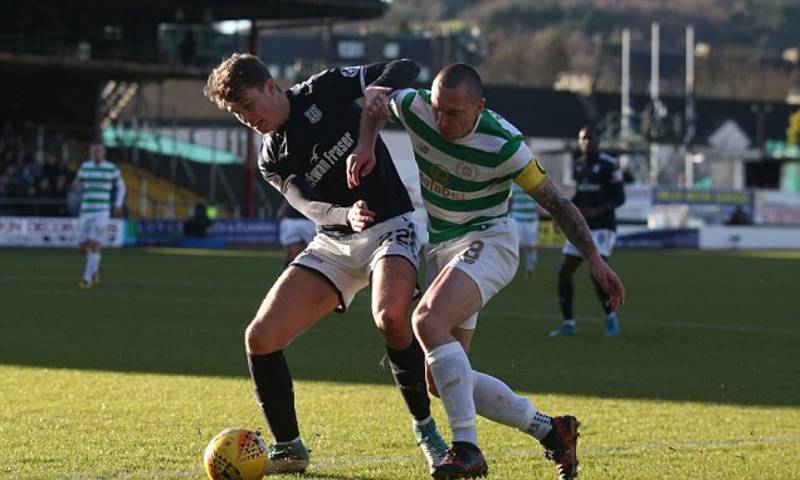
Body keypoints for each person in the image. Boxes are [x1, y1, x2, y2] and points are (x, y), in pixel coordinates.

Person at [348, 63, 625, 480]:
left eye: (455, 113)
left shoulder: (504, 143)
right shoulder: (415, 106)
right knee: (441, 381)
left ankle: (467, 447)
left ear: (479, 106)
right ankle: (553, 431)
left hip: (489, 242)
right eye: (439, 109)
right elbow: (374, 102)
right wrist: (366, 145)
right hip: (444, 248)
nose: (442, 121)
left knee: (426, 319)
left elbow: (557, 203)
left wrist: (595, 258)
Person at [203, 53, 448, 475]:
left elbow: (408, 65)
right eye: (236, 114)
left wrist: (377, 91)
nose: (246, 119)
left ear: (269, 86)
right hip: (334, 241)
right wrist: (344, 215)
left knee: (389, 318)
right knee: (260, 337)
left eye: (246, 106)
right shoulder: (270, 156)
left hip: (391, 226)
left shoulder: (325, 88)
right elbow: (307, 203)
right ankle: (289, 447)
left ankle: (427, 433)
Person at [550, 126, 626, 338]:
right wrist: (562, 215)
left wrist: (598, 210)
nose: (586, 143)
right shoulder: (578, 165)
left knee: (597, 274)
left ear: (598, 141)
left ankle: (610, 316)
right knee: (564, 271)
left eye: (590, 139)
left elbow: (620, 198)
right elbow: (580, 197)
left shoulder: (609, 164)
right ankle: (569, 323)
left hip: (603, 226)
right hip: (584, 227)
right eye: (582, 139)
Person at [73, 143, 125, 288]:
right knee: (81, 248)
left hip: (101, 212)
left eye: (99, 150)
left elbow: (121, 186)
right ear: (91, 152)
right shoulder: (85, 167)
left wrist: (118, 204)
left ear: (104, 153)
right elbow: (77, 182)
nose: (97, 153)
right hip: (85, 211)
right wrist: (75, 185)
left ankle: (87, 279)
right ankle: (94, 269)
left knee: (94, 244)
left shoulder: (111, 168)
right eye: (94, 150)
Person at [509, 182, 540, 277]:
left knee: (531, 246)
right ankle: (509, 270)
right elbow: (510, 200)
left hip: (531, 220)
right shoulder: (514, 184)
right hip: (517, 218)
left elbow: (540, 199)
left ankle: (530, 268)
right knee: (513, 244)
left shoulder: (535, 181)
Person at [275, 200, 315, 266]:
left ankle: (292, 271)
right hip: (305, 221)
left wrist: (282, 210)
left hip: (295, 220)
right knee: (310, 253)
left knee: (294, 252)